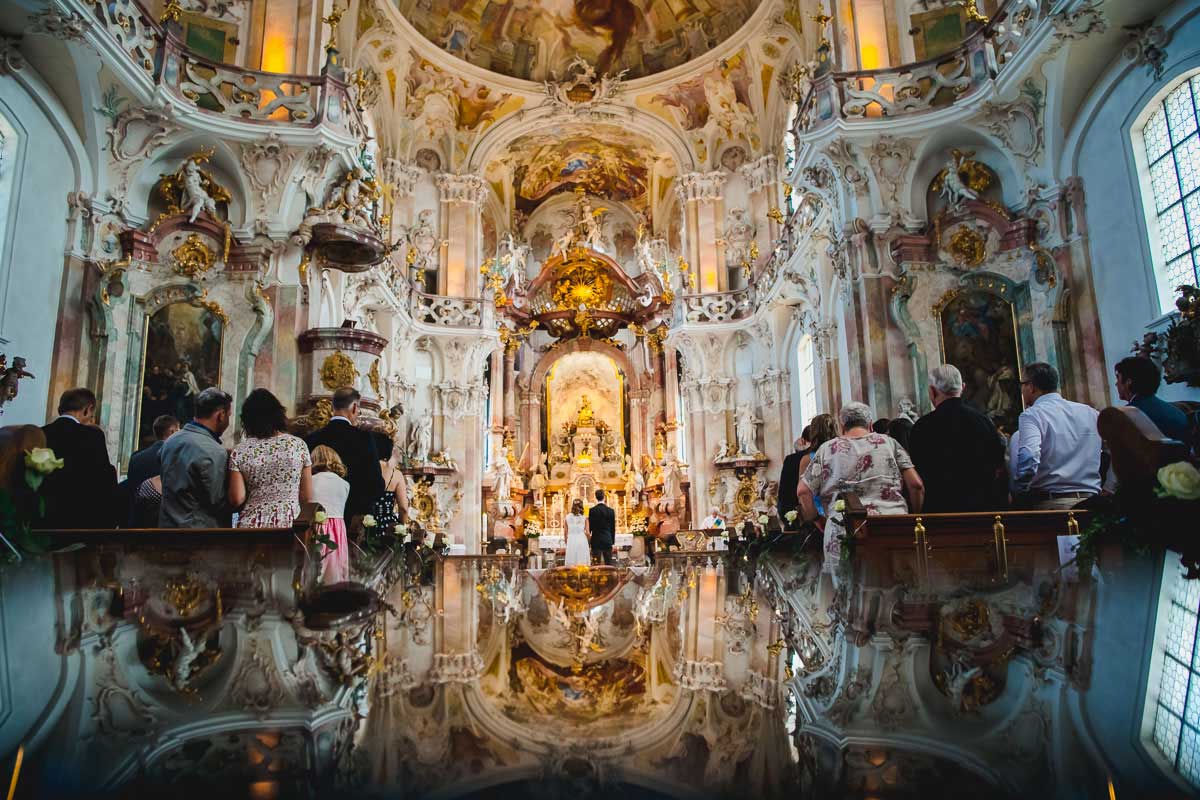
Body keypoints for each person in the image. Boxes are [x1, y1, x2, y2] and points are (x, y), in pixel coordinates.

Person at [797, 402, 925, 572]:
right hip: (892, 528)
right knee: (898, 589)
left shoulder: (827, 449)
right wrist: (913, 518)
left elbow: (803, 491)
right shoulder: (889, 443)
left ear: (843, 427)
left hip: (842, 531)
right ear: (870, 424)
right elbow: (916, 485)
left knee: (846, 592)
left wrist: (817, 520)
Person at [909, 365, 1006, 513]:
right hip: (982, 512)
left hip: (940, 513)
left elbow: (918, 474)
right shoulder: (984, 421)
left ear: (932, 391)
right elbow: (998, 468)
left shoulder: (922, 427)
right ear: (963, 388)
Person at [1009, 362, 1101, 510]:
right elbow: (1115, 450)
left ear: (1031, 386)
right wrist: (1110, 487)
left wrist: (1020, 490)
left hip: (1053, 504)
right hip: (1091, 503)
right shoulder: (1091, 413)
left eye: (1022, 384)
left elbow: (1029, 455)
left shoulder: (1032, 415)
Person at [228, 389, 312, 528]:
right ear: (278, 415)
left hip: (252, 526)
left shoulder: (240, 451)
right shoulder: (298, 445)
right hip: (288, 524)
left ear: (248, 420)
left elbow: (237, 498)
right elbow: (307, 497)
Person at [40, 388, 119, 529]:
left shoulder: (40, 433)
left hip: (45, 520)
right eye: (91, 415)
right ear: (87, 410)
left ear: (60, 409)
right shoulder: (92, 436)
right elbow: (103, 479)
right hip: (82, 522)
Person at [306, 387, 385, 520]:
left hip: (317, 517)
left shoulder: (311, 439)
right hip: (354, 517)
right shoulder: (364, 439)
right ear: (354, 407)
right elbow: (375, 484)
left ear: (333, 407)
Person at [160, 388, 233, 528]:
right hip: (198, 536)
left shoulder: (170, 441)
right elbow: (218, 501)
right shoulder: (214, 451)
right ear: (221, 415)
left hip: (167, 530)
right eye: (229, 416)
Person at [1114, 356, 1190, 443]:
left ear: (1128, 382)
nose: (1116, 384)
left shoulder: (1125, 416)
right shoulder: (1177, 413)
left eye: (1118, 378)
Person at [123, 414, 179, 526]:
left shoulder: (136, 457)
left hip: (138, 523)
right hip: (164, 525)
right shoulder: (176, 457)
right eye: (179, 430)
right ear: (173, 431)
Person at [311, 445, 351, 584]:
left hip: (317, 526)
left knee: (317, 569)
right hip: (338, 529)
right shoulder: (344, 484)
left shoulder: (311, 481)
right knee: (336, 567)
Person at [777, 429, 811, 528]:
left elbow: (784, 494)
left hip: (800, 519)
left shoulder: (792, 460)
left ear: (803, 441)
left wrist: (788, 519)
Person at [587, 488, 616, 566]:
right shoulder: (611, 511)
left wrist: (589, 541)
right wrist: (612, 540)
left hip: (596, 539)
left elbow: (590, 527)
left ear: (596, 497)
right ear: (604, 497)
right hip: (607, 539)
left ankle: (596, 578)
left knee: (596, 564)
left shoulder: (592, 510)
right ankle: (609, 577)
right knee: (608, 563)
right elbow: (613, 527)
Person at [564, 498, 591, 567]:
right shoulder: (584, 518)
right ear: (581, 506)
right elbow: (588, 533)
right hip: (582, 540)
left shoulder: (567, 517)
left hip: (571, 540)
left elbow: (565, 532)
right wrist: (589, 542)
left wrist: (566, 542)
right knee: (582, 562)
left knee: (572, 562)